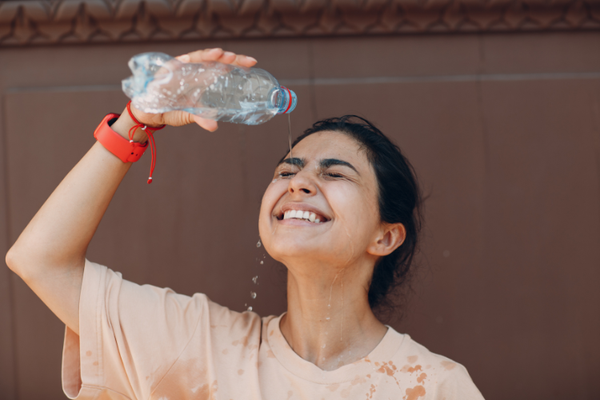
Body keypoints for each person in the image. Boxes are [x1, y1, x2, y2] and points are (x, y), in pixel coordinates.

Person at [5, 48, 484, 400]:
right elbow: (38, 260)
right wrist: (136, 121)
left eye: (334, 173)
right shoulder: (199, 344)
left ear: (386, 236)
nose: (298, 183)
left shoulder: (435, 385)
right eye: (286, 171)